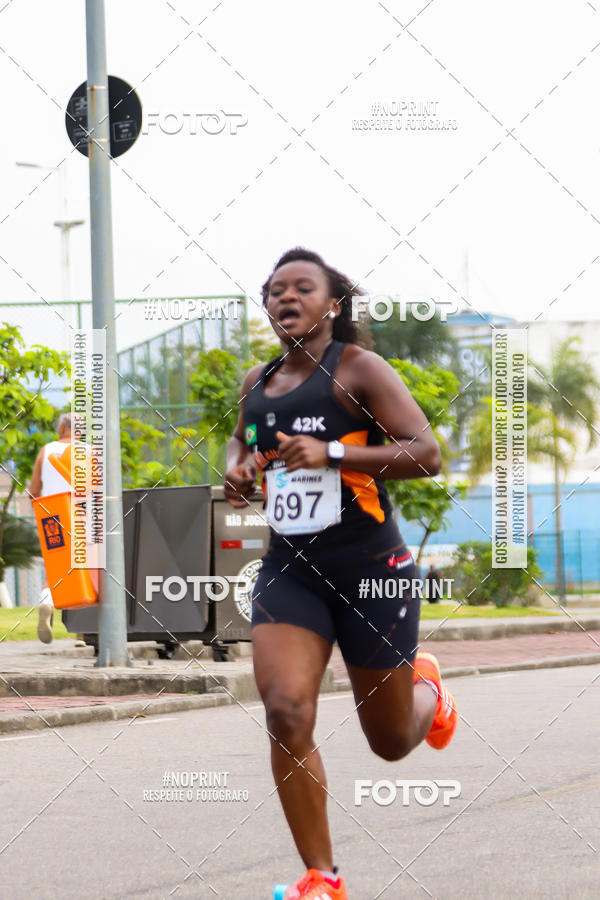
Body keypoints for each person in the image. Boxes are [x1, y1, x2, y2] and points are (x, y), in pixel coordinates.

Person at [224, 248, 458, 900]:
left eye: (302, 288)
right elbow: (242, 441)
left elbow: (427, 453)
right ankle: (322, 880)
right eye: (275, 291)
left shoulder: (358, 370)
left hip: (371, 570)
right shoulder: (256, 381)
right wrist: (238, 470)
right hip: (290, 573)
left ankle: (430, 696)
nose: (286, 298)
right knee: (286, 710)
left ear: (333, 304)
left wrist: (330, 453)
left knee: (389, 743)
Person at [28, 413, 72, 643]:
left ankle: (46, 600)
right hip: (83, 517)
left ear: (62, 426)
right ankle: (85, 631)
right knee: (88, 571)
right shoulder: (91, 451)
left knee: (56, 569)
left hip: (52, 516)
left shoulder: (46, 451)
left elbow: (34, 490)